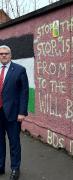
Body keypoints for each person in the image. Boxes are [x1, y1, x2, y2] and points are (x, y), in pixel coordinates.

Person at [0, 45, 29, 180]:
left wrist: (22, 112)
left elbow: (24, 93)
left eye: (6, 53)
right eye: (1, 54)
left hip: (12, 113)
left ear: (11, 55)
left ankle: (15, 169)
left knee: (14, 143)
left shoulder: (19, 70)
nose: (3, 56)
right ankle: (0, 166)